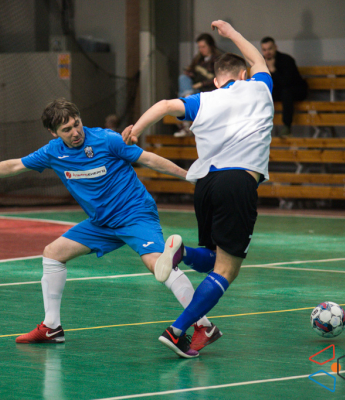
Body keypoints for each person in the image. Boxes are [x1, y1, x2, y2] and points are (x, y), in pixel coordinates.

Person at [0, 98, 221, 351]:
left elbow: (148, 159)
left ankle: (204, 326)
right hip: (101, 222)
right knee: (53, 253)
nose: (75, 132)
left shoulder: (107, 139)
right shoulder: (53, 152)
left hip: (134, 213)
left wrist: (189, 176)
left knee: (159, 263)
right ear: (53, 132)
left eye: (76, 123)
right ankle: (51, 327)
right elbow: (14, 166)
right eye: (66, 129)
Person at [124, 20, 272, 358]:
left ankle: (183, 254)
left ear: (217, 80)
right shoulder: (259, 88)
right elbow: (258, 60)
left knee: (213, 260)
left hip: (205, 185)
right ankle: (177, 331)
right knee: (226, 270)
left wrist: (136, 129)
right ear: (243, 76)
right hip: (238, 183)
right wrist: (231, 33)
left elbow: (165, 105)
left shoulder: (204, 99)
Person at [175, 33, 223, 137]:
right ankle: (188, 99)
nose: (201, 50)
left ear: (210, 46)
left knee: (183, 97)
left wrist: (201, 83)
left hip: (211, 90)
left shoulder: (218, 59)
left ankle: (186, 124)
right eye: (199, 47)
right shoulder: (198, 59)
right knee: (183, 78)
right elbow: (191, 72)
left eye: (203, 47)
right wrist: (189, 74)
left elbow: (220, 78)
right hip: (195, 90)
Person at [260, 37, 307, 137]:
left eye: (270, 49)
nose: (267, 52)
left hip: (296, 89)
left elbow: (286, 83)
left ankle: (287, 126)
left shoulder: (286, 60)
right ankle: (259, 127)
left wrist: (272, 69)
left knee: (286, 92)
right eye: (264, 50)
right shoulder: (261, 63)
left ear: (275, 47)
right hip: (279, 90)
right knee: (261, 94)